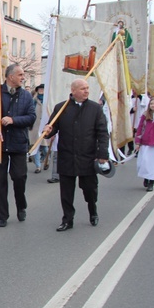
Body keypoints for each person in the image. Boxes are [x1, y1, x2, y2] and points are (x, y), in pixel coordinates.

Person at [42, 78, 109, 231]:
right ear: (73, 91)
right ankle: (67, 219)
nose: (86, 91)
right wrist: (47, 131)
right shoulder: (61, 108)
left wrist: (102, 154)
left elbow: (103, 133)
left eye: (87, 88)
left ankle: (93, 211)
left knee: (90, 190)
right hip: (67, 156)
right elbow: (51, 128)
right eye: (83, 88)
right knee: (66, 192)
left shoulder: (95, 109)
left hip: (87, 157)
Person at [0, 64, 36, 227]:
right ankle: (2, 215)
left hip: (18, 142)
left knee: (19, 177)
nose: (23, 77)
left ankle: (21, 206)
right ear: (10, 76)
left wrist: (13, 120)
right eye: (20, 74)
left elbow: (31, 117)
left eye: (23, 75)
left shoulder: (26, 96)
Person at [30, 84, 48, 173]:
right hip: (35, 126)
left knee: (45, 148)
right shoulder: (33, 100)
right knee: (35, 146)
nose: (41, 90)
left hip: (45, 126)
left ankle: (45, 158)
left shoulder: (48, 101)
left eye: (42, 89)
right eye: (39, 89)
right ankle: (38, 166)